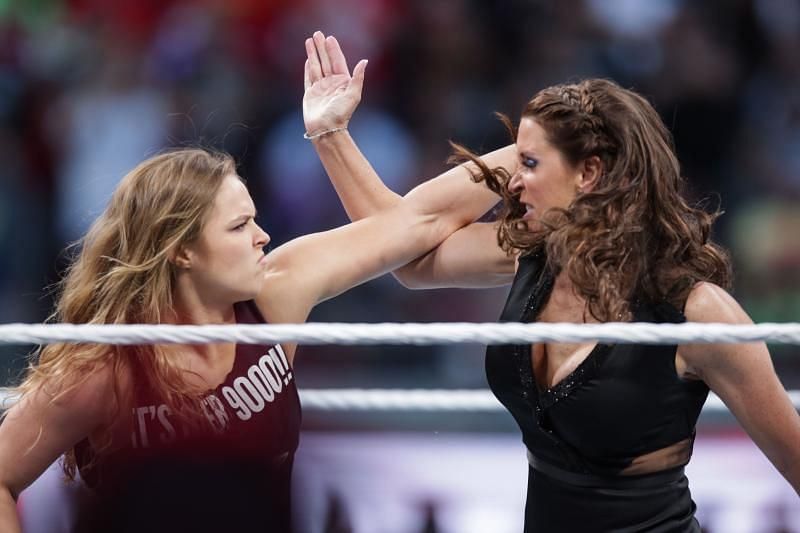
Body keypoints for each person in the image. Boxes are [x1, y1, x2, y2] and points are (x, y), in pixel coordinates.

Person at [302, 31, 800, 531]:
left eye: (529, 165)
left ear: (590, 173)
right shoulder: (534, 255)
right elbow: (406, 250)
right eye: (516, 163)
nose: (512, 183)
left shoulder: (697, 313)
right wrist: (331, 134)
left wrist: (543, 143)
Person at [0, 134, 499, 531]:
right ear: (182, 251)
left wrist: (541, 148)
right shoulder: (105, 366)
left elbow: (419, 221)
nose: (262, 236)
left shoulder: (275, 293)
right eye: (240, 227)